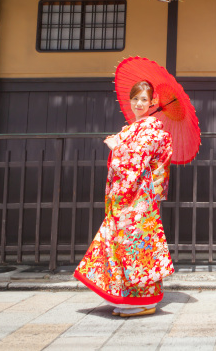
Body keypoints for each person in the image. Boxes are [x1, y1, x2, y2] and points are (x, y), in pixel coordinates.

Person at [74, 80, 174, 317]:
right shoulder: (133, 127)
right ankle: (132, 297)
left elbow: (136, 161)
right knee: (124, 244)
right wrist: (121, 141)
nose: (139, 103)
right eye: (135, 98)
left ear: (152, 103)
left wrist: (116, 147)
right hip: (126, 196)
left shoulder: (150, 128)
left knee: (135, 245)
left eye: (144, 99)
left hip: (137, 197)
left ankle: (140, 300)